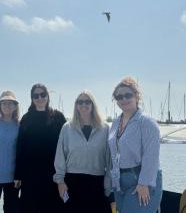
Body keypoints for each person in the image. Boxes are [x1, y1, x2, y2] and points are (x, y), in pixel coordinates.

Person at [108, 77, 162, 213]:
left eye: (128, 95)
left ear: (136, 96)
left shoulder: (147, 123)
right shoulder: (115, 123)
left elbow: (151, 156)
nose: (123, 99)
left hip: (141, 179)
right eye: (119, 96)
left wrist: (144, 183)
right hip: (119, 182)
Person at [53, 89, 112, 213]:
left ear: (93, 104)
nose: (83, 105)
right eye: (80, 102)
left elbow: (109, 161)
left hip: (97, 184)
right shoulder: (67, 128)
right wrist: (60, 182)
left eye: (87, 101)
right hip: (72, 183)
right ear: (76, 105)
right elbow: (60, 157)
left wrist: (108, 187)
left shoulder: (105, 129)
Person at [14, 83, 66, 213]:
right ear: (32, 98)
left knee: (53, 207)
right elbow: (21, 147)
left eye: (43, 94)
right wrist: (18, 175)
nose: (39, 98)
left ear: (48, 96)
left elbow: (67, 144)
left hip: (53, 172)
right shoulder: (26, 119)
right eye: (35, 96)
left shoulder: (58, 117)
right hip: (30, 174)